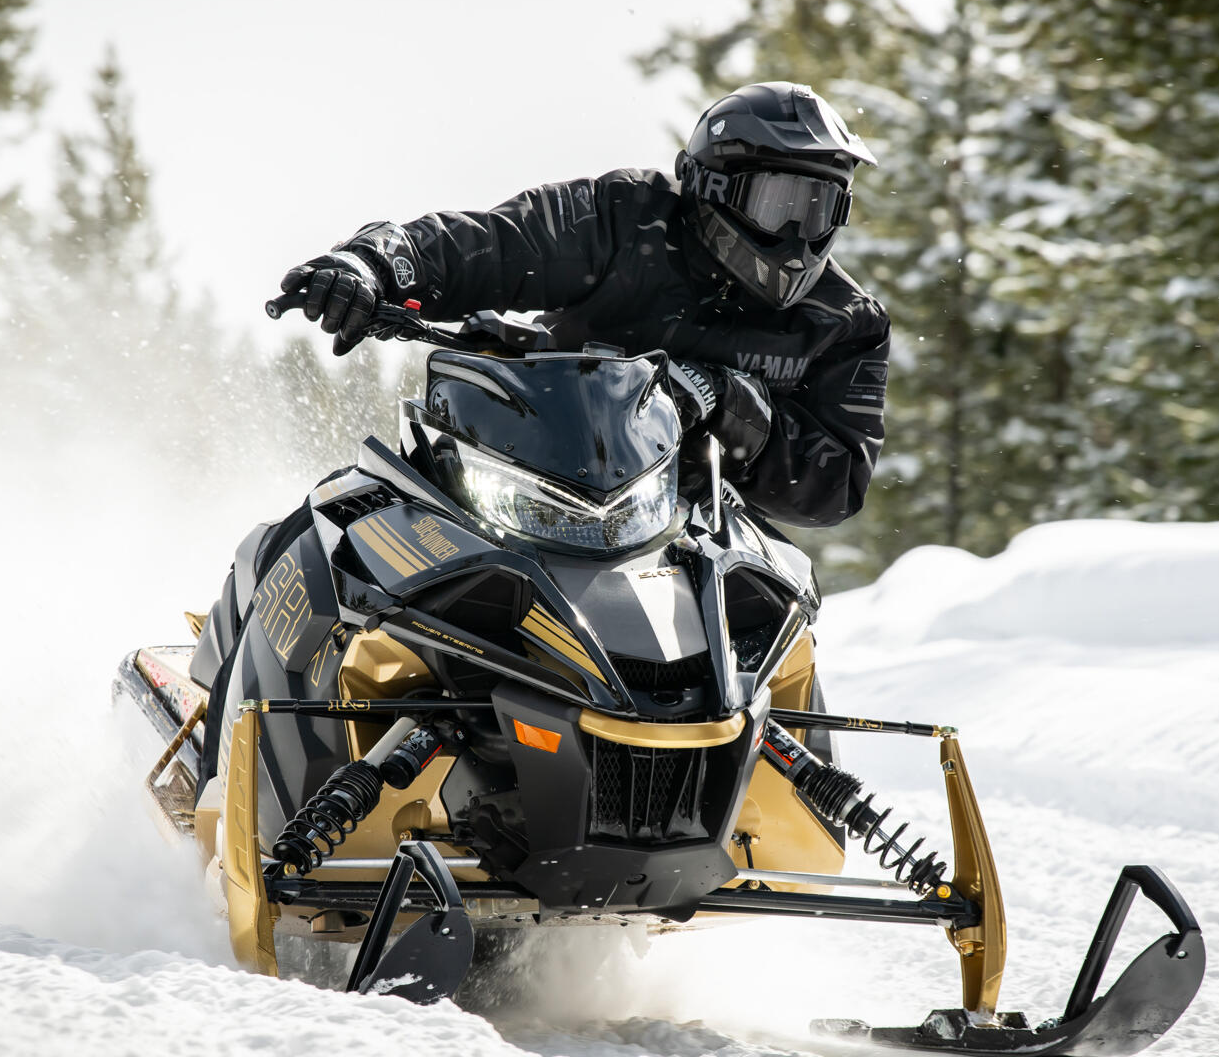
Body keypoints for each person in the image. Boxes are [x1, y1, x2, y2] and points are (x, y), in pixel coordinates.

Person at [192, 81, 888, 690]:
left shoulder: (845, 321)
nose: (797, 236)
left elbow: (838, 483)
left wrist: (733, 406)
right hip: (525, 483)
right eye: (778, 203)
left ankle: (800, 774)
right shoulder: (624, 219)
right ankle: (229, 717)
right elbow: (491, 243)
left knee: (784, 624)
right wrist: (374, 264)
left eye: (819, 208)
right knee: (332, 518)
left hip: (689, 528)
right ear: (711, 187)